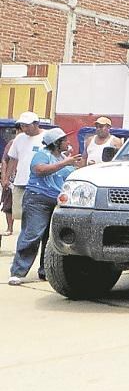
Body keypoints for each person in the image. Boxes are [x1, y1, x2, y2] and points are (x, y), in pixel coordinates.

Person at [8, 128, 84, 285]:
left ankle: (45, 271)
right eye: (64, 140)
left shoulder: (63, 157)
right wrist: (66, 163)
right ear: (56, 143)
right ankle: (18, 272)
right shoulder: (43, 154)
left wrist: (80, 167)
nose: (68, 143)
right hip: (38, 200)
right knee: (32, 234)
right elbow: (39, 170)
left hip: (56, 202)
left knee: (50, 238)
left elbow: (69, 175)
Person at [3, 112, 44, 222]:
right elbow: (12, 159)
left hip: (38, 184)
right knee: (20, 215)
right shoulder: (19, 139)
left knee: (35, 216)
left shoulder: (46, 137)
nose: (24, 129)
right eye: (22, 126)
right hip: (20, 182)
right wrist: (6, 178)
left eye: (27, 125)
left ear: (36, 124)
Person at [1, 123, 20, 235]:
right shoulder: (12, 143)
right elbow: (5, 160)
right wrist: (4, 177)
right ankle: (9, 228)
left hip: (25, 177)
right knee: (8, 204)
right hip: (12, 177)